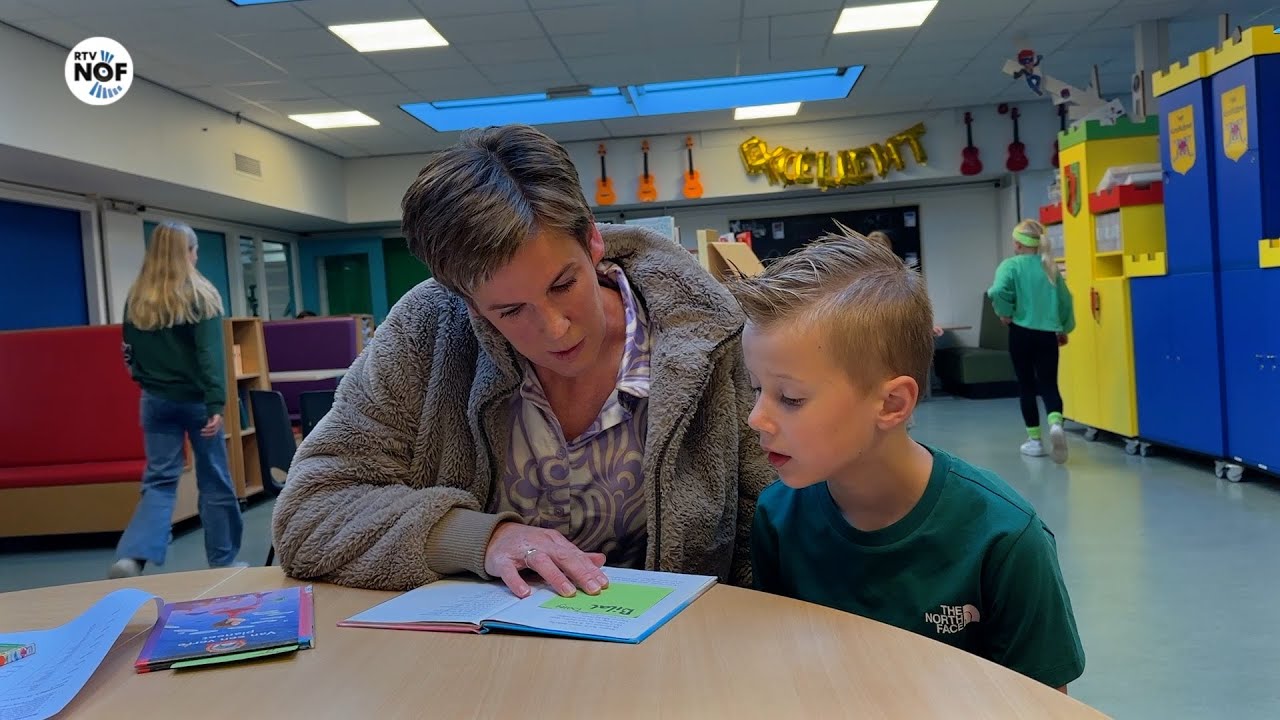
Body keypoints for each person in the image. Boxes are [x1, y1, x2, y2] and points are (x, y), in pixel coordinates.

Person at [272, 124, 774, 595]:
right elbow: (307, 515)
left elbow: (773, 523)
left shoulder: (714, 334)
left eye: (564, 284)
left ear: (593, 240)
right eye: (510, 311)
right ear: (465, 302)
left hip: (672, 652)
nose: (554, 328)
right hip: (483, 658)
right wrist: (478, 538)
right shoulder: (425, 332)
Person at [737, 227, 1085, 692]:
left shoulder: (1004, 538)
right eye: (757, 389)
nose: (756, 418)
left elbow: (1046, 705)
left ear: (892, 404)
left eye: (791, 397)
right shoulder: (777, 517)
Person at [109, 221, 245, 579]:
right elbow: (209, 356)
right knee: (214, 478)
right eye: (195, 249)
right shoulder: (202, 296)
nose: (197, 256)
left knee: (159, 480)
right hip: (197, 403)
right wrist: (216, 404)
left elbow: (129, 352)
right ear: (187, 253)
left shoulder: (137, 298)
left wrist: (145, 381)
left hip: (155, 401)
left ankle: (133, 556)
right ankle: (223, 561)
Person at [987, 219, 1074, 463]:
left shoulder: (1011, 266)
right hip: (1048, 334)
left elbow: (997, 291)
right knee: (1049, 384)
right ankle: (1055, 422)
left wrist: (1005, 312)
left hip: (1020, 333)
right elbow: (1066, 301)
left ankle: (1035, 441)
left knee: (1026, 385)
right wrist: (1064, 327)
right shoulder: (1050, 268)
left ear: (1016, 243)